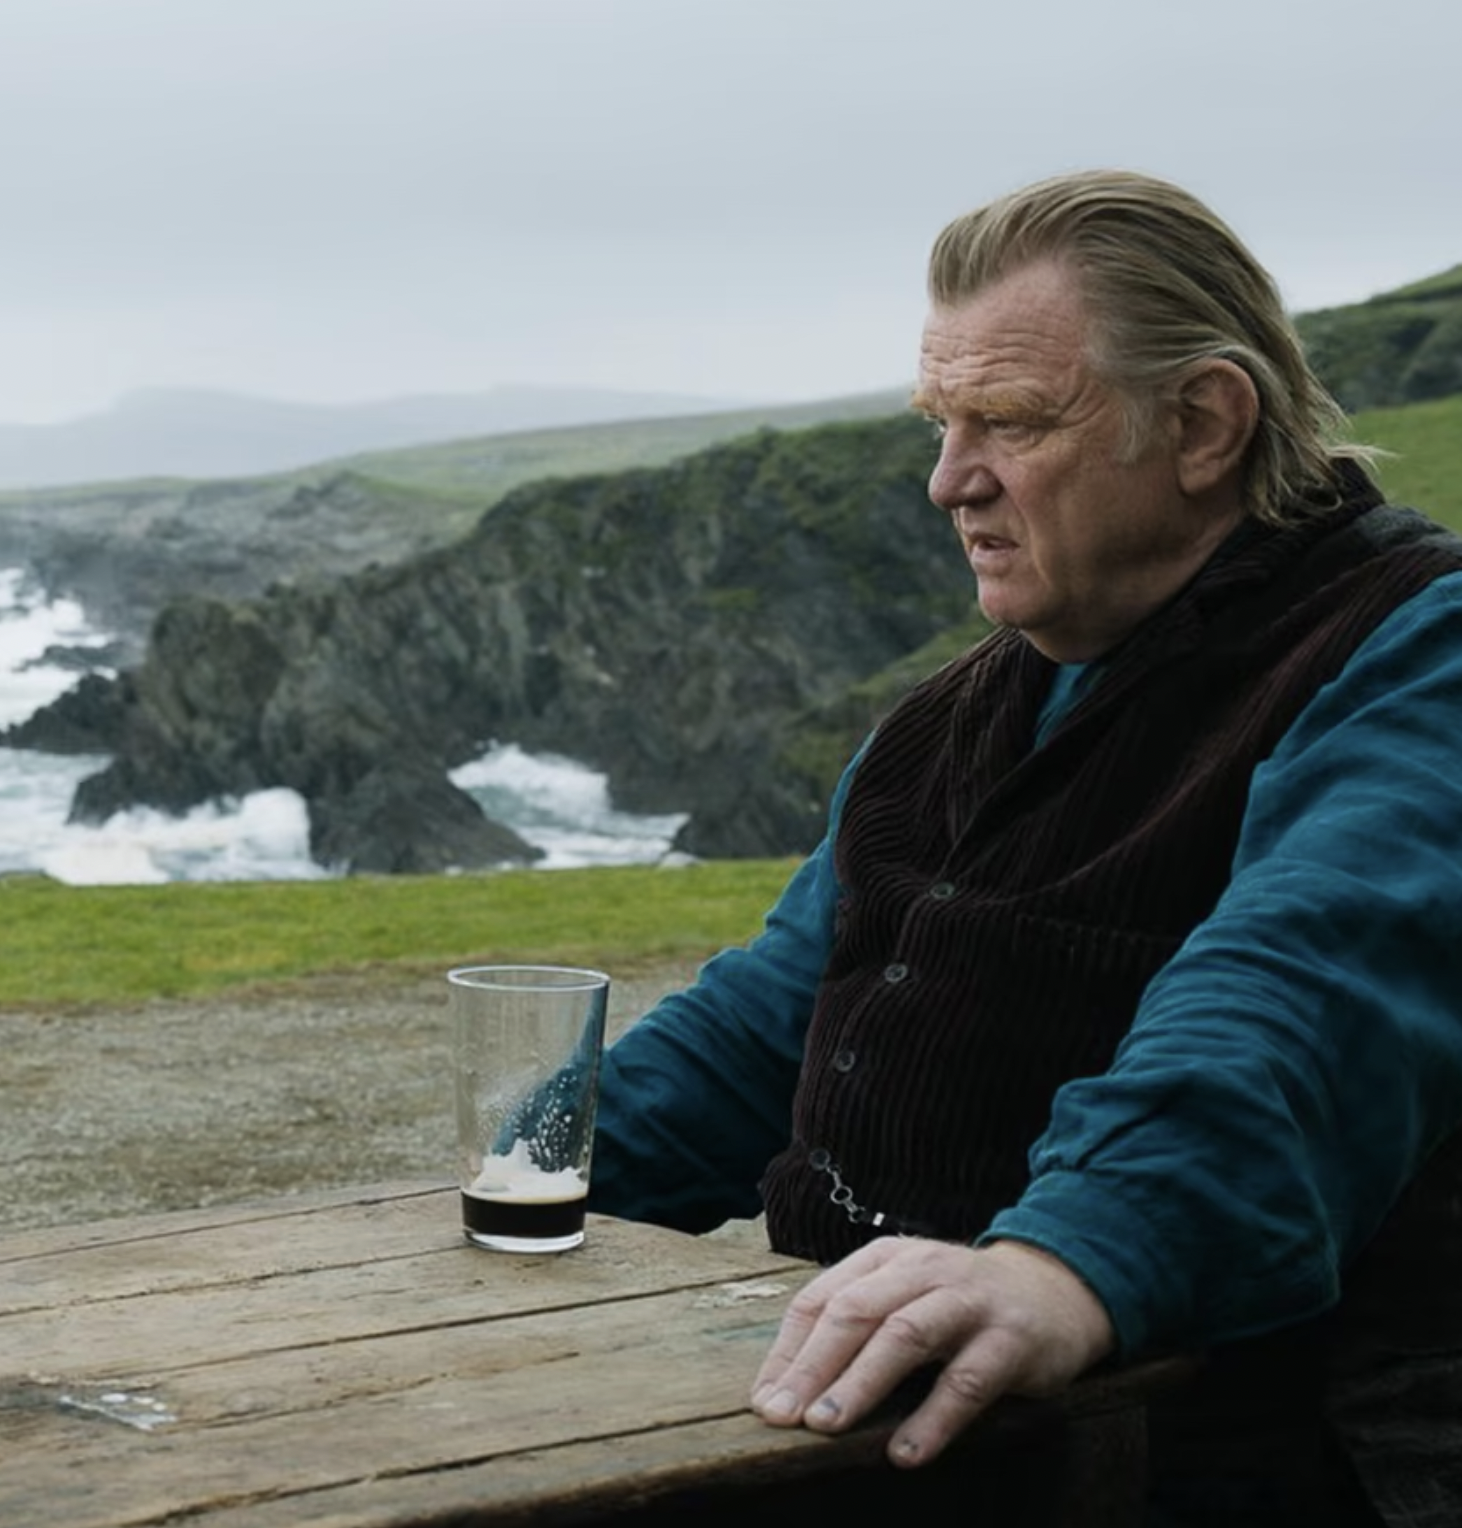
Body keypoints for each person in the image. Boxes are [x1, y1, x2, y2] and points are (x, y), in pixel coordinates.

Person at [586, 169, 1462, 1524]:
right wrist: (530, 1157)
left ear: (1204, 423)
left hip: (1221, 1455)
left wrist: (1067, 1265)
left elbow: (1307, 988)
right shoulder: (954, 712)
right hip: (869, 1428)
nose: (951, 481)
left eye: (1012, 422)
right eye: (943, 423)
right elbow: (774, 1018)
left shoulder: (1415, 655)